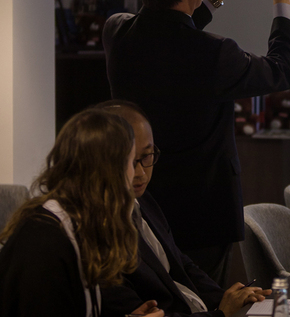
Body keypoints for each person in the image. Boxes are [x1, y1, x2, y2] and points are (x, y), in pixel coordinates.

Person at [102, 0, 290, 285]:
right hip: (202, 219)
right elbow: (281, 71)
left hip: (139, 206)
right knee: (206, 304)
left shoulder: (117, 33)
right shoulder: (215, 55)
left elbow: (169, 30)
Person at [0, 109, 164, 317]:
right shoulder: (46, 244)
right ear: (109, 173)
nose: (138, 173)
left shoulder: (74, 228)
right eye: (132, 163)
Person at [96, 100, 271, 317]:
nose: (141, 173)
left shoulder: (144, 200)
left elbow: (180, 263)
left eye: (147, 156)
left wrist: (229, 296)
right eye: (129, 161)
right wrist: (221, 313)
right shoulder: (96, 236)